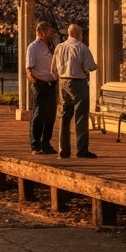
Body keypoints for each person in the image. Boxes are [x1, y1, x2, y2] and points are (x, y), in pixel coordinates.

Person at [52, 23, 98, 159]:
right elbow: (90, 66)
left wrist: (58, 79)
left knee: (64, 115)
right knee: (81, 116)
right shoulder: (81, 47)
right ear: (79, 34)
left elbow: (53, 68)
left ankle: (63, 149)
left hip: (62, 81)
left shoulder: (59, 47)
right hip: (77, 81)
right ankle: (82, 149)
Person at [25, 21, 58, 154]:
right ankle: (35, 144)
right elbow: (29, 68)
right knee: (39, 115)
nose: (52, 34)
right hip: (40, 83)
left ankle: (46, 143)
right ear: (41, 33)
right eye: (50, 31)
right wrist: (34, 83)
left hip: (52, 83)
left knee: (50, 115)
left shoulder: (52, 46)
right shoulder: (33, 47)